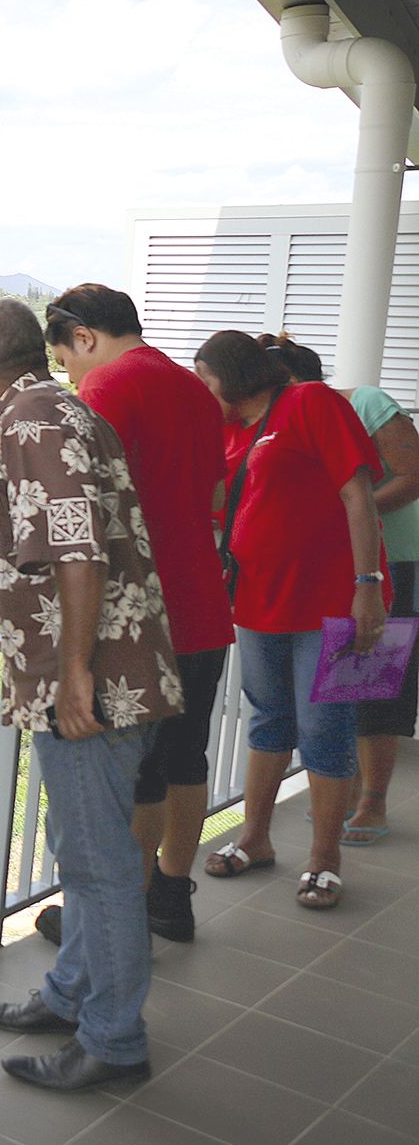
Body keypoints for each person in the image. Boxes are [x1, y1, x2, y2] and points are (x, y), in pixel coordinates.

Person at [0, 299, 182, 1091]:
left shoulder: (33, 422)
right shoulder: (60, 409)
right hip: (109, 673)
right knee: (82, 848)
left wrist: (74, 674)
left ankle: (112, 1038)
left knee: (99, 864)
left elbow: (80, 551)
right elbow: (61, 538)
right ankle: (70, 992)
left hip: (90, 684)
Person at [33, 284, 234, 945]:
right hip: (202, 602)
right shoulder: (195, 391)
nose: (69, 374)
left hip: (141, 611)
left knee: (132, 771)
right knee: (185, 757)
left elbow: (79, 505)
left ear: (83, 337)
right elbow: (213, 489)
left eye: (65, 359)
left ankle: (121, 909)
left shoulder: (107, 387)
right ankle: (170, 894)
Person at [193, 331, 386, 911]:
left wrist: (369, 586)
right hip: (258, 603)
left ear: (232, 375)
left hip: (335, 601)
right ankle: (255, 838)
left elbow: (359, 496)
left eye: (205, 380)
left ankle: (325, 860)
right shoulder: (227, 431)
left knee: (326, 728)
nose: (202, 393)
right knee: (269, 720)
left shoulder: (309, 402)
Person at [259, 333, 419, 846]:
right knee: (341, 685)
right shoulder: (279, 424)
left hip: (396, 561)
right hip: (336, 568)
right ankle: (345, 791)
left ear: (293, 382)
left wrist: (349, 510)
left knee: (375, 684)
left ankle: (373, 800)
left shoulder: (365, 402)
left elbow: (412, 476)